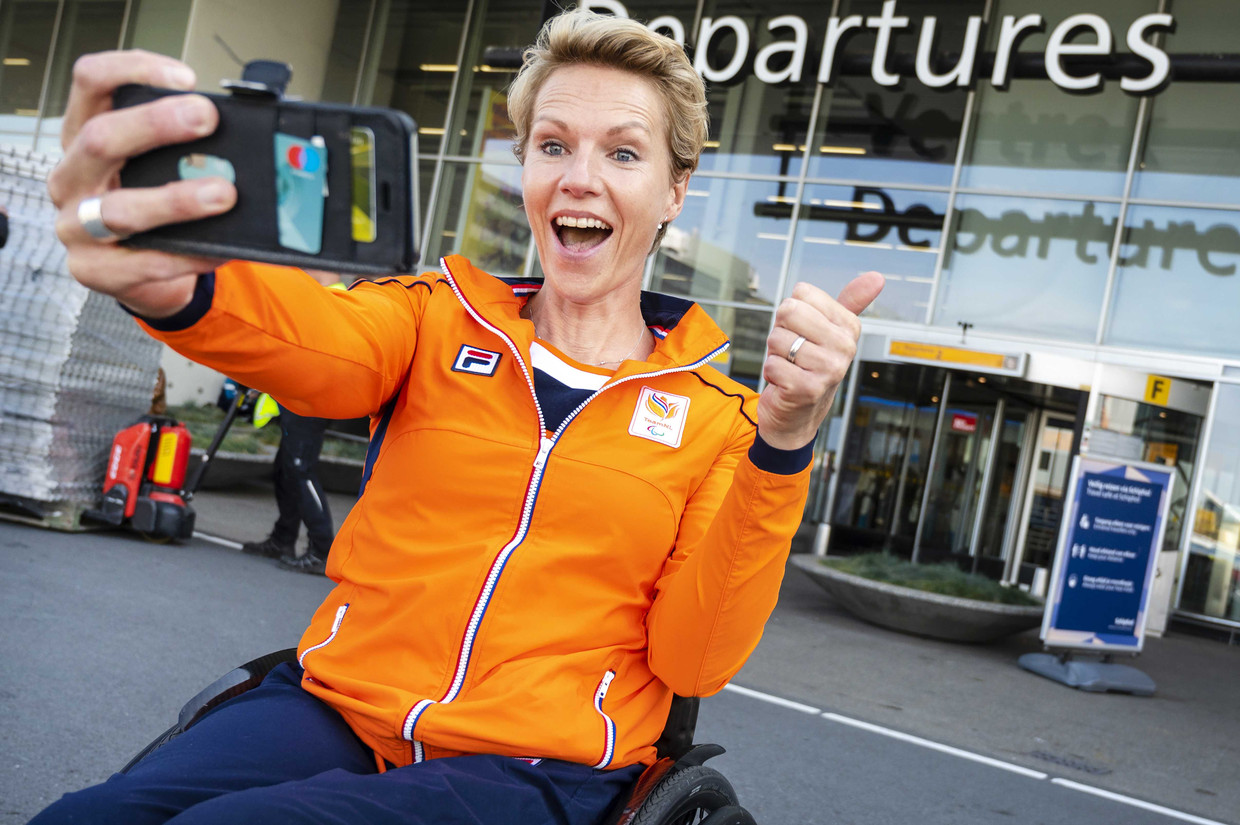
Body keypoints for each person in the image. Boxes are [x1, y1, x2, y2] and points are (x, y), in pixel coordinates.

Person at [37, 10, 883, 825]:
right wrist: (179, 284)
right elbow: (316, 341)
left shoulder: (722, 420)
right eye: (553, 145)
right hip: (341, 706)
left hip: (537, 766)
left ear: (675, 190)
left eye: (623, 152)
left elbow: (693, 658)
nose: (579, 176)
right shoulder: (435, 317)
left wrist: (785, 441)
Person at [241, 268, 346, 575]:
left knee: (300, 468)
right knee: (285, 468)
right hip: (295, 397)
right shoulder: (315, 298)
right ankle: (283, 538)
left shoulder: (335, 301)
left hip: (311, 399)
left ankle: (322, 547)